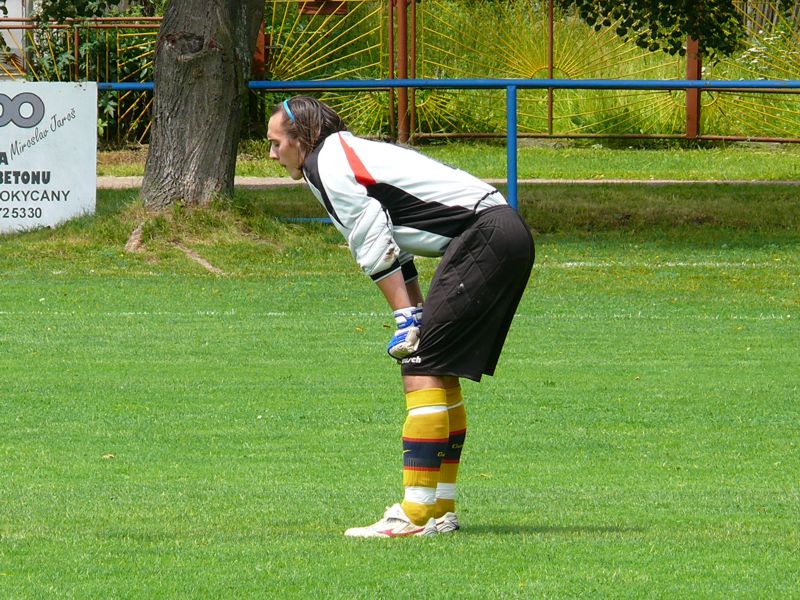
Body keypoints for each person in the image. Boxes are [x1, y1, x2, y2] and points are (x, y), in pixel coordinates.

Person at [267, 96, 535, 538]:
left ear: (302, 139)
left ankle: (414, 514)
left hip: (485, 235)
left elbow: (372, 239)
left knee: (421, 366)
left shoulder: (324, 163)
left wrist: (406, 318)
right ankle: (439, 510)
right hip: (498, 232)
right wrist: (412, 313)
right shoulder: (340, 154)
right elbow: (393, 245)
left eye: (276, 143)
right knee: (436, 367)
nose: (272, 154)